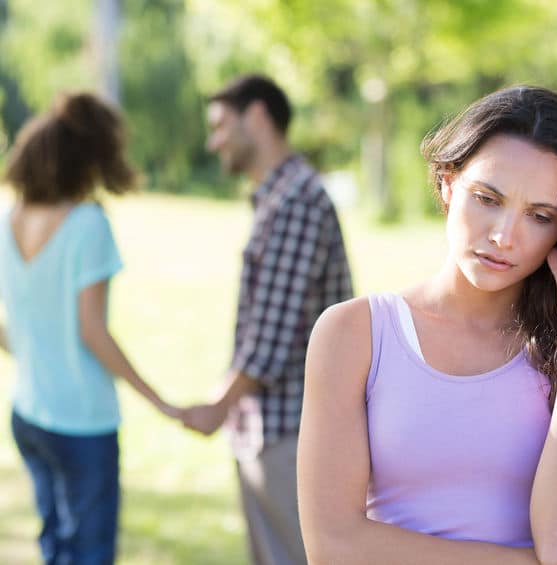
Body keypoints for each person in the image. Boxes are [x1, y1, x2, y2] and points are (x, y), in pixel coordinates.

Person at [297, 86, 557, 564]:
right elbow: (333, 547)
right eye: (487, 198)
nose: (504, 236)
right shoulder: (355, 334)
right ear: (447, 183)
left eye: (539, 216)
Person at [0, 92, 182, 564]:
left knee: (55, 546)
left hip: (28, 415)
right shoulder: (87, 224)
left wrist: (39, 350)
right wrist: (159, 400)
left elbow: (12, 327)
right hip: (82, 423)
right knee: (90, 554)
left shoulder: (10, 219)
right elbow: (92, 331)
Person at [183, 74, 353, 565]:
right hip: (267, 427)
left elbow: (271, 341)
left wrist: (217, 406)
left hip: (294, 432)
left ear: (257, 116)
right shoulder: (275, 198)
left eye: (220, 126)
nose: (214, 141)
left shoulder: (296, 200)